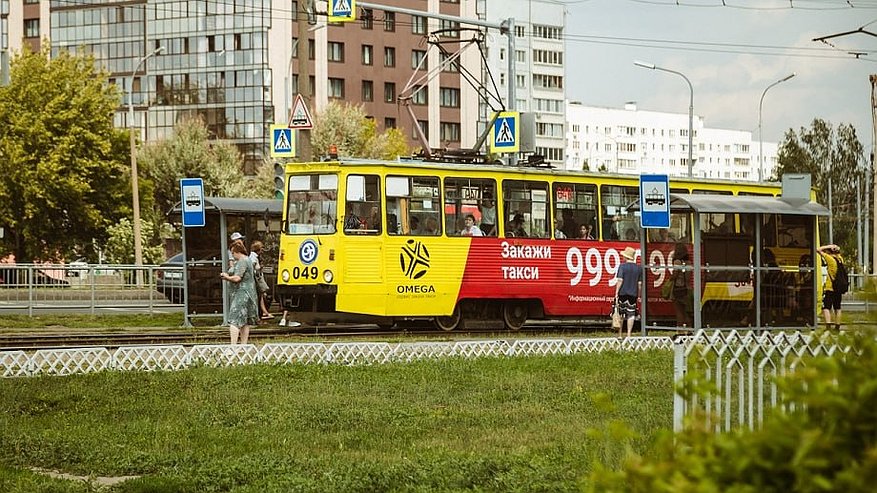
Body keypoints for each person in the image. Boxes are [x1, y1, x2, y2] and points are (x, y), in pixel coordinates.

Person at [219, 241, 259, 344]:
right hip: (248, 294)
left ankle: (233, 346)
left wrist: (226, 277)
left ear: (237, 252)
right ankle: (243, 346)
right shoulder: (247, 260)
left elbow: (237, 278)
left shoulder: (242, 261)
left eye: (232, 253)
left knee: (234, 320)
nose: (232, 256)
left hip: (242, 294)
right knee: (244, 321)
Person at [614, 246, 642, 338]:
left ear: (626, 257)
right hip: (633, 293)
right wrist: (639, 294)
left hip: (623, 293)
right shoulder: (638, 268)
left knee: (622, 313)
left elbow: (620, 280)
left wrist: (616, 292)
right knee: (631, 314)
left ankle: (620, 334)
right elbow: (640, 283)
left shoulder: (622, 266)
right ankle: (629, 334)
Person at [817, 244, 844, 330]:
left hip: (830, 288)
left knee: (826, 307)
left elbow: (818, 250)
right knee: (837, 308)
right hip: (838, 288)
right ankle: (837, 327)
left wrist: (829, 246)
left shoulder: (830, 259)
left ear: (829, 251)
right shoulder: (840, 259)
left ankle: (828, 326)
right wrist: (836, 247)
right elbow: (838, 252)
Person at [670, 242, 692, 328]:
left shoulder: (677, 262)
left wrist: (670, 279)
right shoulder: (688, 262)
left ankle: (680, 331)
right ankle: (690, 330)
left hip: (678, 288)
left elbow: (675, 275)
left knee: (679, 311)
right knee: (686, 312)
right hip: (687, 288)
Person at [249, 240, 273, 320]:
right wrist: (258, 270)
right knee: (261, 296)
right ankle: (261, 314)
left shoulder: (255, 257)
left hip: (258, 279)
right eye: (261, 248)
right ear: (258, 249)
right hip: (257, 280)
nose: (262, 250)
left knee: (262, 296)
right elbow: (252, 268)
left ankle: (263, 313)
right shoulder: (253, 258)